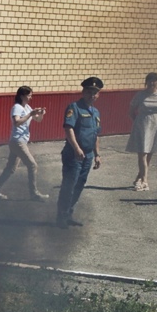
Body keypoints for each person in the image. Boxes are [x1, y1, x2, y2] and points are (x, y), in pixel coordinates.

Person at [56, 77, 103, 229]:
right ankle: (61, 217)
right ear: (83, 92)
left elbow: (96, 134)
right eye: (89, 92)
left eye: (95, 93)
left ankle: (69, 213)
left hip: (88, 155)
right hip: (73, 153)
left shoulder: (95, 112)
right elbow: (68, 129)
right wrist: (76, 148)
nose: (92, 95)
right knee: (69, 185)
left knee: (79, 185)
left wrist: (97, 154)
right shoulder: (74, 107)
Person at [0, 86, 48, 201]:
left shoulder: (27, 107)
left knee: (10, 168)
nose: (31, 97)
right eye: (29, 95)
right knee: (32, 165)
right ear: (22, 96)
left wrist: (41, 113)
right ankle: (34, 193)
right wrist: (30, 114)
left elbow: (38, 120)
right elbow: (16, 122)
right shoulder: (17, 107)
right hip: (17, 142)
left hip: (21, 141)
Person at [126, 72, 157, 192]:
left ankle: (139, 178)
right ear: (146, 82)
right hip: (142, 124)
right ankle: (145, 181)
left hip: (155, 124)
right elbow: (131, 110)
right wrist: (138, 122)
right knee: (142, 153)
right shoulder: (140, 95)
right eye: (149, 80)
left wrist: (156, 120)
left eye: (154, 81)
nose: (151, 83)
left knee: (149, 154)